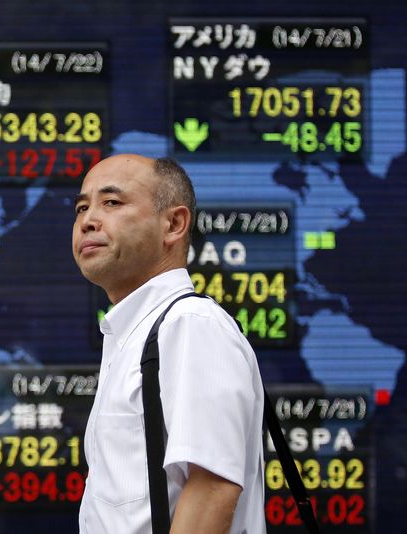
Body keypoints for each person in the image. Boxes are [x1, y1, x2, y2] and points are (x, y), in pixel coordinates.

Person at [72, 154, 266, 534]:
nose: (88, 220)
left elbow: (212, 487)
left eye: (111, 202)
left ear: (174, 224)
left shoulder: (190, 325)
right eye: (82, 207)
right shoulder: (135, 335)